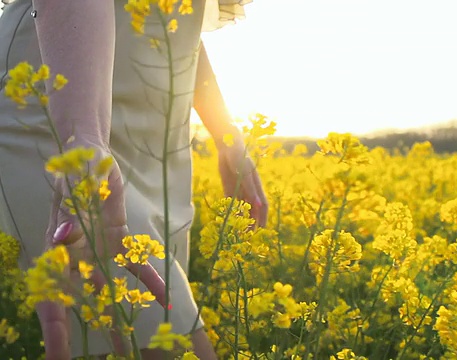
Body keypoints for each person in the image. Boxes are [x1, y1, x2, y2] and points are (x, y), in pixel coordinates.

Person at [0, 0, 267, 358]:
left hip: (157, 138)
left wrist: (225, 132)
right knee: (168, 343)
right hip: (60, 110)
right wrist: (83, 138)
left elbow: (178, 20)